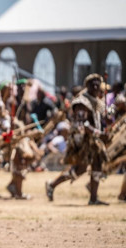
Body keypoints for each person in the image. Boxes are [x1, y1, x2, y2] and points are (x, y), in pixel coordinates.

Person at [46, 74, 109, 205]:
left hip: (93, 140)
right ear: (87, 86)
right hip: (83, 141)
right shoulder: (82, 102)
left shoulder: (96, 101)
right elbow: (82, 124)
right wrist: (99, 133)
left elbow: (97, 119)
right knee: (80, 169)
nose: (96, 86)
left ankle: (93, 198)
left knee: (97, 164)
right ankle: (52, 185)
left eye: (98, 84)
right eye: (93, 84)